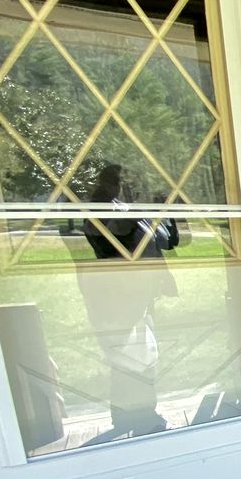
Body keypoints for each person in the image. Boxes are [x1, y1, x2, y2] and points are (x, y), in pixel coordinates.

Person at [79, 164, 179, 436]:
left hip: (139, 292)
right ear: (112, 184)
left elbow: (169, 241)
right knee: (131, 355)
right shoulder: (105, 211)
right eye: (127, 181)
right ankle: (138, 417)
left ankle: (138, 415)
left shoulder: (127, 209)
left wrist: (164, 210)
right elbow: (114, 235)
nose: (132, 186)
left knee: (140, 353)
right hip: (119, 294)